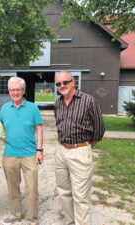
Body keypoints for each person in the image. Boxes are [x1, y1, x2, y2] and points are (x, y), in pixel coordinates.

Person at [54, 71, 105, 225]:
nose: (62, 86)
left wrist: (85, 147)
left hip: (80, 150)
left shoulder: (88, 101)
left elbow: (99, 130)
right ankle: (70, 222)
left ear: (73, 82)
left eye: (65, 82)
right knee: (64, 192)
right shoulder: (58, 104)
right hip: (61, 151)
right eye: (58, 84)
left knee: (81, 196)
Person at [0, 77, 44, 225]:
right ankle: (16, 214)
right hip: (10, 154)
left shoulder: (32, 108)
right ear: (9, 91)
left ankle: (32, 219)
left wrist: (39, 150)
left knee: (32, 189)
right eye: (12, 90)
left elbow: (39, 128)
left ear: (23, 91)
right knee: (13, 188)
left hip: (30, 154)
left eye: (18, 89)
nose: (15, 92)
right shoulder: (5, 108)